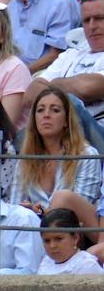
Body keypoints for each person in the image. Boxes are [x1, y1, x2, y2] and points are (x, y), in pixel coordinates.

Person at [22, 0, 104, 144]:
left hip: (99, 138)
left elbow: (87, 89)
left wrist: (53, 85)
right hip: (62, 136)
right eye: (86, 20)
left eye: (99, 18)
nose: (92, 26)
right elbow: (30, 95)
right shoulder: (72, 53)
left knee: (70, 104)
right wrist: (63, 89)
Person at [13, 85, 102, 221]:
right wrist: (27, 210)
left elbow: (79, 210)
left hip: (74, 235)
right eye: (40, 110)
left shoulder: (86, 154)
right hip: (31, 233)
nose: (46, 115)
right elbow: (14, 206)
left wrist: (41, 213)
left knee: (63, 197)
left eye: (55, 110)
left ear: (67, 120)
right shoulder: (25, 158)